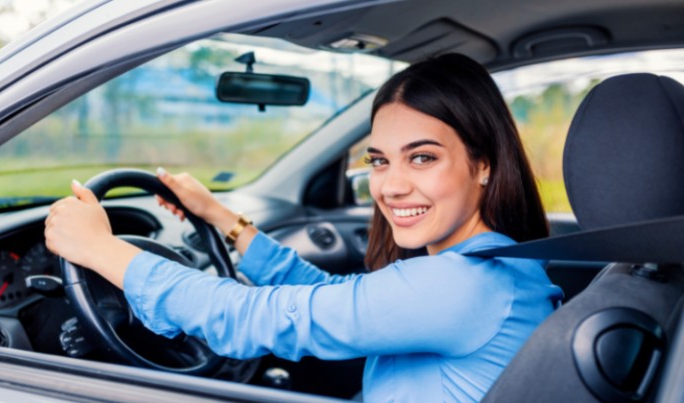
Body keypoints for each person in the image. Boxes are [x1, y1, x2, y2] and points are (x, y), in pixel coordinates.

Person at [45, 53, 564, 402]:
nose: (391, 186)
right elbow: (336, 296)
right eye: (379, 161)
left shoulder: (462, 285)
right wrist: (221, 218)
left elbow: (253, 317)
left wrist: (99, 249)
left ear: (483, 164)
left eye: (422, 158)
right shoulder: (498, 264)